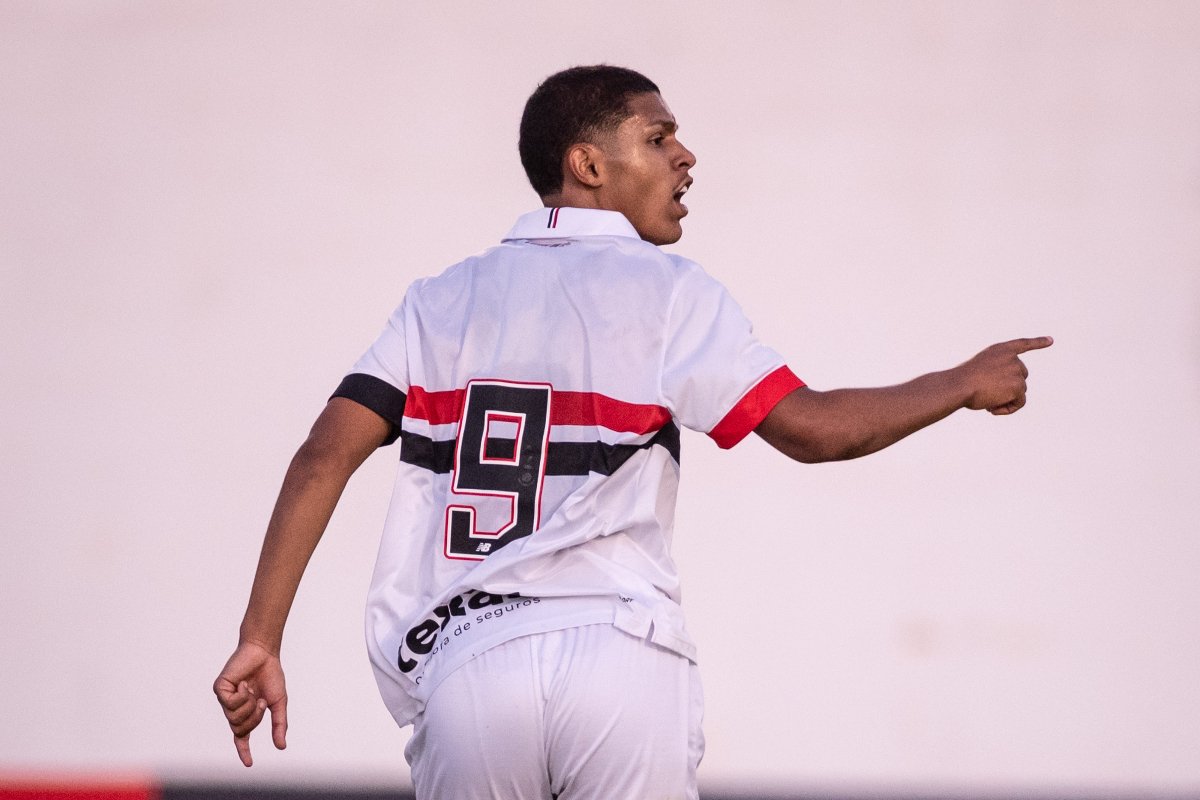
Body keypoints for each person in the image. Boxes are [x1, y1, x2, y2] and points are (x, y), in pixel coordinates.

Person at [214, 65, 1052, 799]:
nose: (685, 157)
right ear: (588, 165)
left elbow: (321, 457)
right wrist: (962, 382)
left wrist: (260, 637)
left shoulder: (436, 301)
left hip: (467, 666)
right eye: (660, 138)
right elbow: (814, 431)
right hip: (618, 654)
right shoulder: (670, 291)